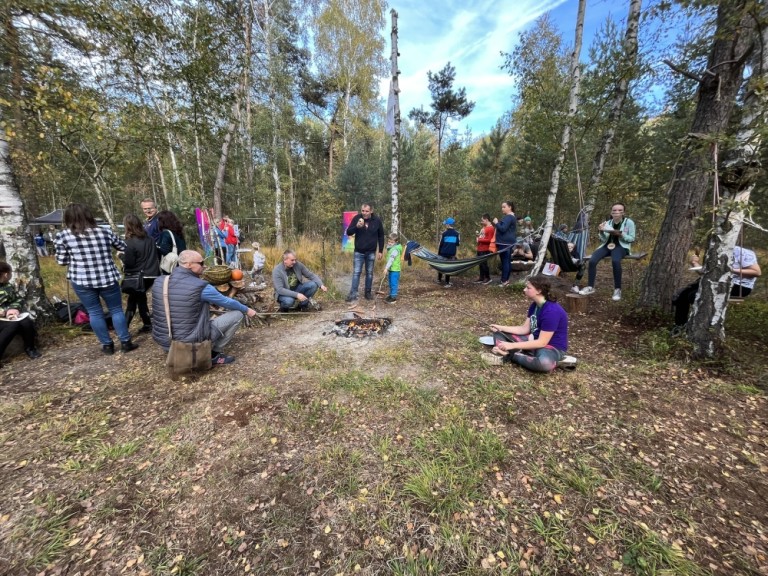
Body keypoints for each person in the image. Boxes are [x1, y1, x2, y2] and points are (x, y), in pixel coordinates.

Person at [55, 203, 138, 355]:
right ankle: (125, 342)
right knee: (116, 310)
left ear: (68, 218)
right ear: (89, 215)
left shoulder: (63, 236)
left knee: (94, 312)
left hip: (82, 280)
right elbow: (122, 245)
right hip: (107, 276)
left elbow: (62, 261)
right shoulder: (103, 232)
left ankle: (107, 345)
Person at [151, 250, 258, 365]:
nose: (204, 266)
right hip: (189, 344)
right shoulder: (200, 286)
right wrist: (247, 310)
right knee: (237, 314)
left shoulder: (160, 281)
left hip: (165, 341)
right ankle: (213, 354)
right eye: (201, 263)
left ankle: (175, 351)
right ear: (188, 264)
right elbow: (227, 302)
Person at [483, 275, 569, 373]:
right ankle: (526, 354)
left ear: (539, 291)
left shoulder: (552, 311)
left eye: (528, 288)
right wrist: (500, 327)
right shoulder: (535, 305)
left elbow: (542, 343)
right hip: (533, 340)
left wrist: (512, 346)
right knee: (498, 333)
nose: (524, 290)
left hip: (551, 347)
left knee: (544, 363)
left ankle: (510, 355)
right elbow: (524, 329)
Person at [671, 246, 761, 335]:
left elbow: (757, 272)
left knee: (694, 296)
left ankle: (704, 328)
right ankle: (679, 326)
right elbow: (706, 272)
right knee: (682, 295)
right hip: (717, 281)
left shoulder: (742, 252)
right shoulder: (714, 250)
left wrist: (730, 270)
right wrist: (694, 263)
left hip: (740, 286)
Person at [578, 202, 636, 301]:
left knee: (615, 261)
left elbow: (632, 238)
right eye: (614, 210)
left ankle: (617, 289)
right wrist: (601, 231)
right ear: (611, 212)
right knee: (592, 261)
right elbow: (604, 239)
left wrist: (621, 235)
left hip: (621, 247)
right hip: (607, 246)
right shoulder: (608, 223)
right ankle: (590, 287)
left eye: (619, 210)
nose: (617, 212)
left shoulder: (628, 222)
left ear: (623, 212)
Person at [122, 213, 161, 333]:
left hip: (139, 276)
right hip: (152, 274)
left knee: (133, 301)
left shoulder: (129, 242)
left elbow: (130, 262)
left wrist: (121, 256)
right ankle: (147, 323)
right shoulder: (150, 239)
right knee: (140, 299)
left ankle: (124, 328)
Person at [0, 262, 42, 368]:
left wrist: (12, 309)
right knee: (13, 326)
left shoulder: (7, 286)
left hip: (8, 316)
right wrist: (3, 311)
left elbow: (18, 299)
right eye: (10, 273)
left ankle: (30, 348)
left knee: (26, 322)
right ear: (6, 274)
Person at [345, 203, 385, 302]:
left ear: (371, 211)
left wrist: (380, 250)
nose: (364, 213)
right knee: (356, 273)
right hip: (359, 251)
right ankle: (353, 294)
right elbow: (349, 232)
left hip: (371, 252)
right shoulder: (356, 218)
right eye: (363, 211)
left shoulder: (377, 220)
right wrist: (357, 227)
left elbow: (381, 236)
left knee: (369, 273)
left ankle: (368, 293)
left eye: (367, 211)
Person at [493, 201, 517, 287]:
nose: (502, 209)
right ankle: (505, 280)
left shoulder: (509, 217)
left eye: (504, 207)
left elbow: (502, 228)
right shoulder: (512, 217)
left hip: (505, 243)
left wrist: (496, 222)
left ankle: (504, 281)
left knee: (505, 262)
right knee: (507, 261)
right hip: (508, 242)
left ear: (510, 207)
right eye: (502, 207)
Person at [436, 218, 460, 287]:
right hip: (451, 253)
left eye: (446, 224)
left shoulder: (444, 233)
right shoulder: (457, 234)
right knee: (449, 267)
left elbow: (440, 244)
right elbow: (457, 244)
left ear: (448, 224)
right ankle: (447, 282)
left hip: (443, 253)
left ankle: (439, 279)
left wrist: (438, 253)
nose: (445, 225)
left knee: (441, 265)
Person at [474, 214, 495, 284]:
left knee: (484, 264)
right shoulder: (483, 228)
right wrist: (478, 238)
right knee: (480, 264)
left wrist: (479, 240)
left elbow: (489, 240)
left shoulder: (491, 228)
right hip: (480, 248)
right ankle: (481, 277)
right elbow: (482, 237)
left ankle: (488, 278)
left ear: (486, 220)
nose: (481, 222)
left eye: (482, 220)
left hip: (485, 249)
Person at [384, 233, 403, 303]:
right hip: (392, 269)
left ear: (396, 242)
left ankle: (393, 297)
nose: (390, 243)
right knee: (390, 282)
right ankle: (391, 295)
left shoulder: (395, 250)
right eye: (389, 241)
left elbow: (391, 259)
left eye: (392, 242)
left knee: (393, 283)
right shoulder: (392, 248)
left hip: (395, 270)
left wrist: (386, 268)